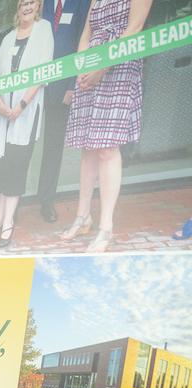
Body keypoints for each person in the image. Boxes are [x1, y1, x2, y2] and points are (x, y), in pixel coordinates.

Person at [60, 0, 154, 252]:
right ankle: (82, 217)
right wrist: (82, 66)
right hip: (91, 67)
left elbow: (133, 29)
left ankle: (105, 226)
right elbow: (86, 34)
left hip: (119, 66)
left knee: (107, 148)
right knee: (88, 146)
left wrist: (103, 67)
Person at [0, 0, 53, 248]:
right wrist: (0, 105)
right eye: (22, 2)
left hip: (24, 113)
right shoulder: (7, 38)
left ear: (38, 6)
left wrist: (20, 106)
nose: (26, 6)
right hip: (2, 115)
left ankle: (8, 224)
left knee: (16, 166)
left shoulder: (44, 30)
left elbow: (44, 72)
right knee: (1, 166)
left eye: (31, 2)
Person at [35, 0, 91, 221]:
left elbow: (81, 44)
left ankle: (46, 201)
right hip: (35, 87)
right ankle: (12, 200)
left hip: (61, 89)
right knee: (23, 144)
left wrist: (72, 86)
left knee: (53, 147)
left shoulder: (80, 3)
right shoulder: (43, 3)